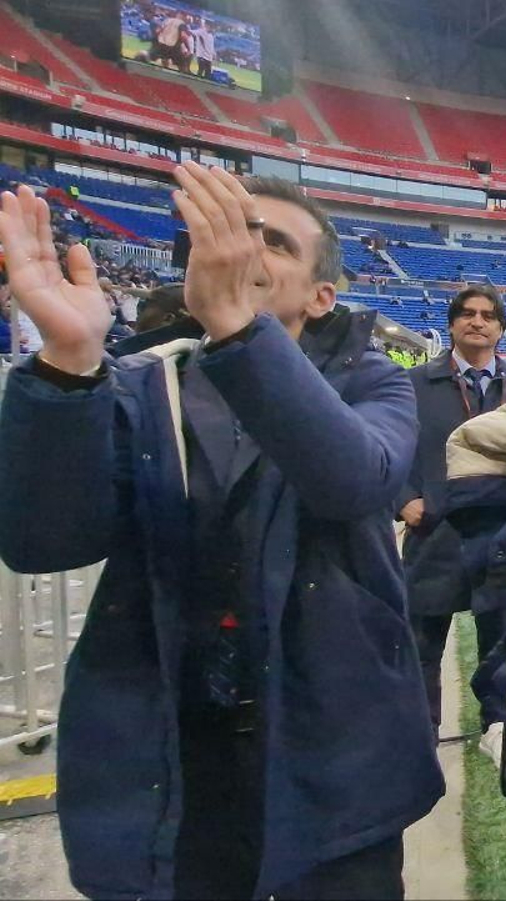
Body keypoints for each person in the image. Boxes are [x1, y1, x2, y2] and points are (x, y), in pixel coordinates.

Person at [0, 169, 442, 898]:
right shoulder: (141, 385)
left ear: (320, 296)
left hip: (332, 757)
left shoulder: (373, 381)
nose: (241, 246)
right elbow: (44, 541)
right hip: (171, 759)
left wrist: (241, 330)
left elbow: (354, 481)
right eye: (230, 228)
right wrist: (70, 365)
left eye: (270, 240)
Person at [398, 284, 506, 762]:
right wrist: (403, 498)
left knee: (500, 645)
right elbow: (389, 448)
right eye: (467, 314)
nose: (477, 321)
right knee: (423, 647)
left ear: (500, 326)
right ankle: (418, 740)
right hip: (435, 537)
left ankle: (497, 730)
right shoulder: (414, 384)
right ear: (451, 323)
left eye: (488, 315)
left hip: (497, 539)